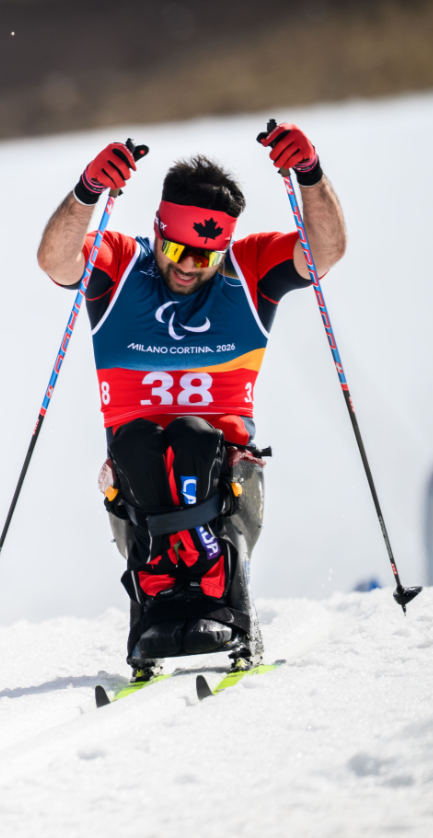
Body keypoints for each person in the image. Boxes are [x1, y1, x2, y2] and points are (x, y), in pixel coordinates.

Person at [35, 124, 344, 677]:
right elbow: (57, 262)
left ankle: (214, 580)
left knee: (194, 436)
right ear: (157, 232)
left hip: (227, 478)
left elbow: (325, 250)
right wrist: (87, 191)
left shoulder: (248, 270)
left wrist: (310, 174)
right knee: (141, 440)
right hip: (138, 477)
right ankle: (161, 584)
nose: (187, 266)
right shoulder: (123, 264)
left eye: (204, 256)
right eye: (176, 249)